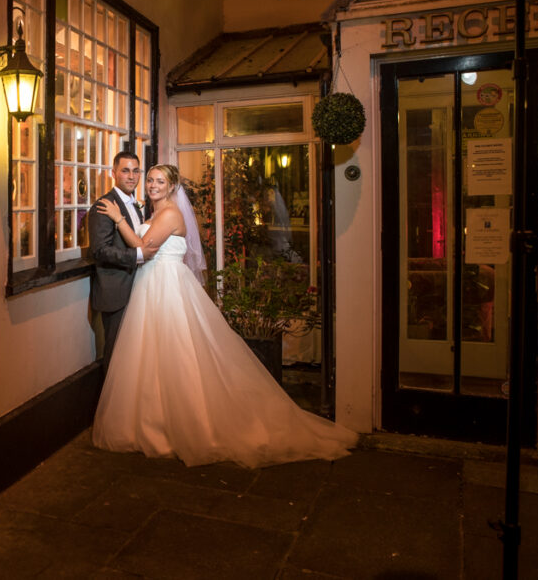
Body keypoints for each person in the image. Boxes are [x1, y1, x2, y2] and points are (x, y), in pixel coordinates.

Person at [91, 163, 357, 468]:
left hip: (166, 285)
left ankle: (182, 422)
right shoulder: (152, 213)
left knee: (176, 351)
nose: (152, 185)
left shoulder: (170, 214)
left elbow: (143, 247)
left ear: (172, 186)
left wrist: (118, 219)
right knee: (151, 354)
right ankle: (153, 419)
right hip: (149, 284)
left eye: (159, 181)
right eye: (150, 179)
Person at [88, 152, 158, 369]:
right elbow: (100, 251)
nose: (131, 176)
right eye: (125, 171)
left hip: (137, 288)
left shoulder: (136, 204)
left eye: (136, 171)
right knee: (115, 353)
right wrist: (138, 255)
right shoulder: (104, 206)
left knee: (132, 353)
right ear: (114, 173)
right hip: (116, 290)